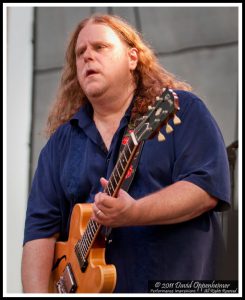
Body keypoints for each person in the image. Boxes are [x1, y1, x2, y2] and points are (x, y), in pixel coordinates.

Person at [21, 14, 231, 293]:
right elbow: (39, 232)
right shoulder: (58, 146)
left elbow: (207, 188)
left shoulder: (180, 110)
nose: (87, 57)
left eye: (100, 47)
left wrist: (134, 212)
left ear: (133, 58)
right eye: (80, 53)